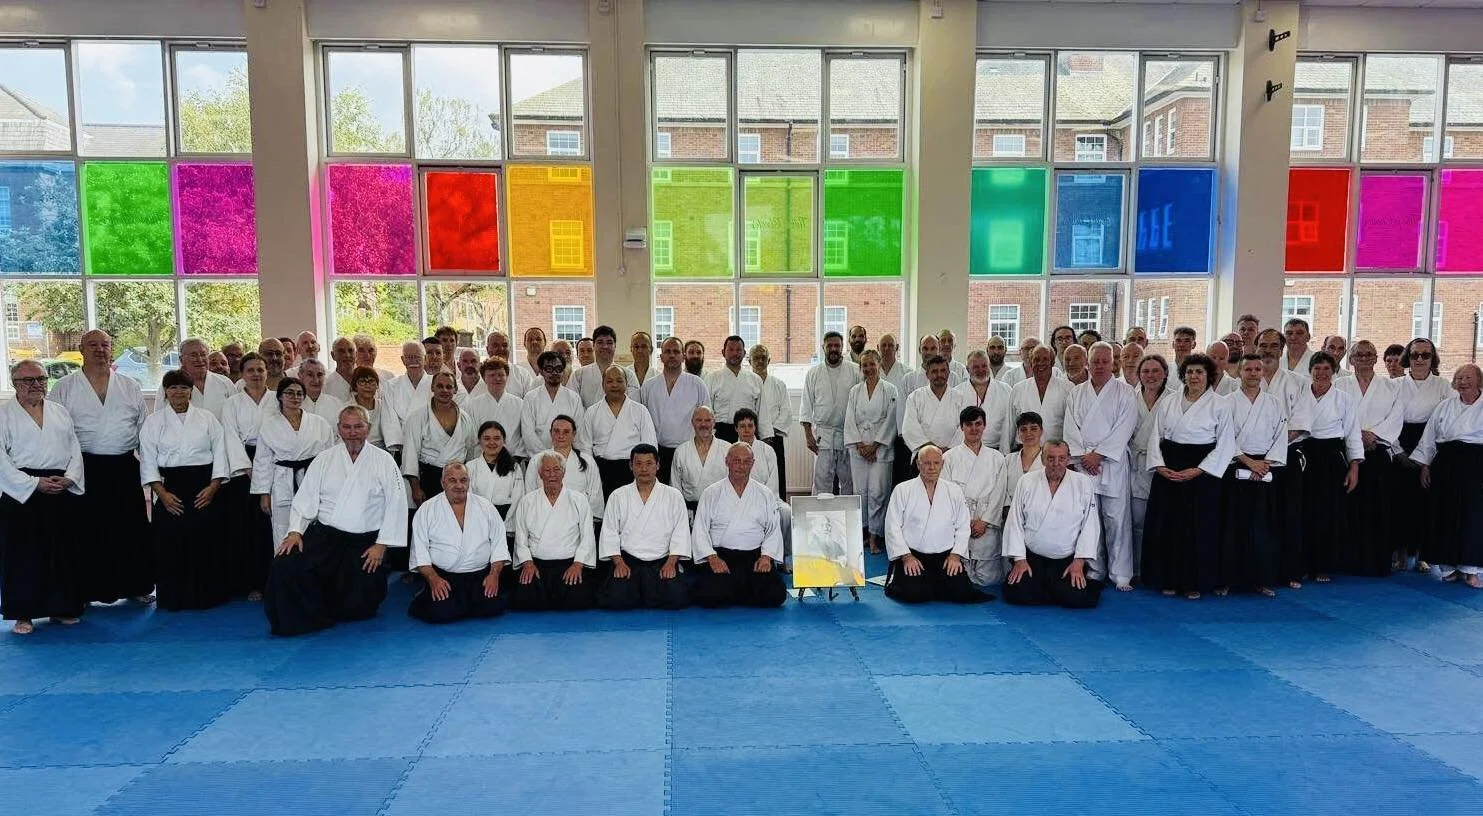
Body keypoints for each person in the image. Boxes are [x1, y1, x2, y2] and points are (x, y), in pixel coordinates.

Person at [263, 406, 406, 635]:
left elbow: (396, 503)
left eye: (358, 426)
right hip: (326, 538)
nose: (352, 432)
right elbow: (305, 497)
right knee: (284, 565)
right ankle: (303, 618)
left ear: (368, 429)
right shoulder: (325, 459)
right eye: (347, 427)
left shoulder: (384, 460)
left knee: (359, 607)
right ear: (338, 429)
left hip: (364, 544)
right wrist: (295, 532)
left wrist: (381, 545)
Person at [47, 329, 153, 606]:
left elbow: (144, 428)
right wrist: (63, 470)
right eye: (92, 345)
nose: (99, 350)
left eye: (104, 344)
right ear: (82, 350)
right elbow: (55, 430)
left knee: (130, 529)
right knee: (86, 531)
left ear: (111, 348)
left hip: (123, 465)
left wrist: (151, 471)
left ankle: (136, 584)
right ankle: (84, 591)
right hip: (83, 466)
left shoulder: (130, 385)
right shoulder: (64, 387)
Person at [0, 360, 86, 634]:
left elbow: (74, 447)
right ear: (15, 384)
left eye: (41, 379)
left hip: (59, 485)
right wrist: (34, 483)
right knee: (23, 554)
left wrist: (70, 477)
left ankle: (62, 607)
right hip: (22, 491)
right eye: (28, 380)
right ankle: (23, 614)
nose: (36, 384)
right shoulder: (4, 415)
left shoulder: (59, 412)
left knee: (62, 550)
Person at [1142, 353, 1234, 599]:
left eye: (1199, 372)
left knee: (1199, 528)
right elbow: (1156, 435)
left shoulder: (1220, 404)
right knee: (1168, 526)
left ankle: (1195, 582)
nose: (1194, 376)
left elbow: (1226, 444)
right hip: (1170, 467)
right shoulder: (1169, 401)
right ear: (1183, 375)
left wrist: (1199, 469)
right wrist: (1159, 465)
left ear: (1208, 376)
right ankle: (1167, 578)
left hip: (1202, 471)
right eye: (1190, 372)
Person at [140, 369, 233, 611]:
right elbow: (148, 460)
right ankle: (174, 597)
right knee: (170, 543)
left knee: (206, 542)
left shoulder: (207, 418)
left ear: (191, 391)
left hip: (204, 486)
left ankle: (208, 595)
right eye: (173, 388)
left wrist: (213, 487)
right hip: (170, 487)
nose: (178, 392)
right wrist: (162, 494)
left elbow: (220, 453)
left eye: (183, 387)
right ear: (165, 392)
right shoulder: (154, 422)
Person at [1064, 342, 1139, 591]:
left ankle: (1121, 574)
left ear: (1113, 363)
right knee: (1089, 519)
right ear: (1088, 363)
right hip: (1084, 464)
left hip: (1111, 463)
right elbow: (1070, 428)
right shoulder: (1076, 393)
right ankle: (1095, 569)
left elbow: (1125, 427)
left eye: (1105, 361)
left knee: (1117, 519)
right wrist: (1083, 457)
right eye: (1095, 361)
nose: (1099, 366)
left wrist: (1099, 455)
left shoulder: (1125, 392)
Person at [882, 445, 991, 604]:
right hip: (914, 556)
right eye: (926, 463)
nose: (931, 467)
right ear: (918, 464)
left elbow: (962, 526)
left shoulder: (954, 490)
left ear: (942, 464)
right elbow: (892, 526)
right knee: (914, 595)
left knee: (962, 593)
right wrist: (906, 557)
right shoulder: (902, 490)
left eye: (936, 463)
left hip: (945, 557)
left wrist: (955, 555)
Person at [1001, 442, 1103, 608]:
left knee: (1077, 598)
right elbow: (1015, 521)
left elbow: (1090, 525)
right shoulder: (1026, 481)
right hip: (1032, 558)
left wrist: (1079, 562)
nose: (1056, 463)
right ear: (1042, 459)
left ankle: (1057, 588)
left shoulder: (1082, 483)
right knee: (1017, 593)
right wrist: (1019, 560)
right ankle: (1053, 589)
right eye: (1051, 458)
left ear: (1068, 459)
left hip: (1066, 560)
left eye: (1061, 458)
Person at [408, 463, 509, 624]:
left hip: (479, 576)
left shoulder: (486, 507)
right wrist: (433, 579)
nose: (459, 486)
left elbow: (499, 545)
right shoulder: (427, 509)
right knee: (439, 613)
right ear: (442, 483)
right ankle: (425, 592)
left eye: (463, 480)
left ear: (469, 482)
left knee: (492, 607)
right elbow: (420, 552)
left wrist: (494, 575)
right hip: (445, 577)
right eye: (452, 480)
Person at [1334, 340, 1403, 577]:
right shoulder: (1339, 384)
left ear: (1375, 359)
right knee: (1346, 507)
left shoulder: (1390, 387)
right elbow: (1333, 414)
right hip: (1346, 452)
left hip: (1377, 451)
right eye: (1358, 355)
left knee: (1378, 508)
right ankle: (1345, 560)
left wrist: (1373, 435)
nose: (1363, 358)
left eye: (1368, 354)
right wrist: (1354, 436)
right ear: (1351, 359)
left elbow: (1397, 417)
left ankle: (1375, 561)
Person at [1221, 353, 1288, 597]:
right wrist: (1249, 462)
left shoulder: (1274, 403)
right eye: (1247, 369)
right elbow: (1223, 436)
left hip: (1265, 468)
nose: (1252, 373)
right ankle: (1227, 579)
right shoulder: (1226, 402)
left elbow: (1281, 435)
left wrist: (1264, 464)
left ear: (1263, 372)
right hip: (1235, 465)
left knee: (1263, 526)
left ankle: (1262, 579)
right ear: (1239, 372)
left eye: (1257, 369)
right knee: (1232, 525)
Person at [689, 443, 787, 608]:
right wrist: (712, 558)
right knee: (709, 596)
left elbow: (773, 530)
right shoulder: (711, 492)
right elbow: (700, 530)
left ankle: (736, 591)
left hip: (754, 557)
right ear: (727, 461)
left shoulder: (765, 493)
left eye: (746, 461)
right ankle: (740, 591)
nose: (741, 466)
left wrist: (766, 557)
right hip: (722, 557)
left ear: (753, 463)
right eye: (736, 461)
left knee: (776, 595)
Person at [1412, 364, 1483, 588]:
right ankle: (1448, 567)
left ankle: (1471, 571)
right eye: (1459, 378)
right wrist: (1425, 465)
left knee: (1473, 516)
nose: (1463, 382)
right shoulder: (1445, 406)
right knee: (1445, 514)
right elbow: (1430, 437)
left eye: (1468, 377)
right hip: (1445, 465)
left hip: (1476, 465)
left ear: (1479, 381)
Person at [1296, 352, 1364, 584]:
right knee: (1303, 510)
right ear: (1310, 371)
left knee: (1328, 512)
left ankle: (1323, 565)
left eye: (1326, 368)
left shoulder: (1343, 399)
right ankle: (1302, 563)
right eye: (1317, 368)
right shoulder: (1299, 394)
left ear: (1334, 372)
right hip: (1305, 454)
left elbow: (1353, 433)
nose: (1322, 373)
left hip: (1332, 457)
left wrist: (1354, 466)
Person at [597, 445, 691, 610]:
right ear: (631, 466)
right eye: (638, 463)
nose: (644, 469)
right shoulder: (618, 495)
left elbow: (681, 532)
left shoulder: (673, 496)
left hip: (662, 561)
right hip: (629, 561)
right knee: (615, 600)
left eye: (649, 463)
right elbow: (609, 533)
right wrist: (619, 563)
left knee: (677, 599)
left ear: (658, 465)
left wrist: (671, 563)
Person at [1256, 328, 1315, 588]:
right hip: (1253, 458)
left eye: (1273, 346)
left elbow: (1301, 421)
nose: (1268, 350)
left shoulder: (1298, 382)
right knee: (1256, 516)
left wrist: (1274, 446)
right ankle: (1256, 571)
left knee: (1288, 514)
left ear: (1282, 350)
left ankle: (1289, 571)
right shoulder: (1244, 379)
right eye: (1263, 345)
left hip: (1287, 456)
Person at [252, 377, 337, 553]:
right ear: (280, 397)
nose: (295, 397)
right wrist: (264, 494)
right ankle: (285, 566)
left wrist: (330, 486)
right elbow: (262, 462)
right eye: (289, 393)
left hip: (312, 478)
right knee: (282, 527)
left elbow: (329, 457)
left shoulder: (319, 423)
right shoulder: (269, 425)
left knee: (314, 523)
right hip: (283, 481)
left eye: (299, 393)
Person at [509, 450, 598, 610]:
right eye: (547, 470)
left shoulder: (579, 500)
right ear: (540, 473)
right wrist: (528, 563)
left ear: (563, 473)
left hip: (569, 564)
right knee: (525, 600)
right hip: (537, 565)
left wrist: (578, 564)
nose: (552, 475)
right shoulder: (527, 501)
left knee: (578, 600)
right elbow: (521, 538)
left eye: (556, 470)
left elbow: (587, 537)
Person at [1392, 338, 1451, 572]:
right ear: (1407, 357)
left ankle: (1421, 555)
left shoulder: (1443, 386)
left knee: (1425, 503)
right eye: (1414, 354)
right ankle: (1399, 552)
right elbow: (1388, 420)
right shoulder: (1395, 385)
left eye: (1425, 355)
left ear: (1432, 359)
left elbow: (1445, 421)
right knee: (1398, 501)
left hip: (1431, 442)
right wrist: (1398, 451)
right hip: (1399, 440)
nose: (1419, 359)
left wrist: (1427, 458)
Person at [220, 353, 276, 599]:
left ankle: (274, 579)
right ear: (242, 374)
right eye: (251, 370)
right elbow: (230, 437)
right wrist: (251, 471)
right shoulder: (232, 403)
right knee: (246, 527)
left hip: (274, 461)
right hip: (244, 467)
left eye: (260, 370)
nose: (256, 374)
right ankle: (251, 582)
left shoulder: (277, 399)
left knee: (271, 525)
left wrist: (266, 471)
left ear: (267, 372)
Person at [943, 407, 1010, 589]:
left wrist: (985, 521)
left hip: (986, 523)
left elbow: (999, 493)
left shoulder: (997, 458)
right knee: (959, 577)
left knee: (988, 579)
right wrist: (965, 522)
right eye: (969, 424)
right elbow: (947, 493)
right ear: (962, 427)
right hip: (960, 521)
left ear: (984, 426)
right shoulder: (949, 457)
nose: (974, 429)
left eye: (978, 424)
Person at [845, 350, 900, 555]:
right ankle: (863, 532)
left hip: (881, 449)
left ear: (879, 364)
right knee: (860, 492)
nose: (868, 368)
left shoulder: (890, 390)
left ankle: (875, 535)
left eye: (872, 364)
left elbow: (891, 419)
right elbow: (850, 418)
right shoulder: (855, 391)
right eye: (864, 365)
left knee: (878, 492)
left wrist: (875, 446)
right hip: (859, 448)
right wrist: (860, 445)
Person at [402, 370, 476, 509]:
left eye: (449, 387)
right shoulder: (418, 417)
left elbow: (472, 451)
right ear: (432, 388)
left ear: (455, 390)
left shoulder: (465, 418)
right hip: (429, 477)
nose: (444, 390)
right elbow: (410, 454)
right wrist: (415, 488)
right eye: (440, 386)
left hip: (458, 478)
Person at [640, 338, 710, 484]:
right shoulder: (648, 386)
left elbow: (707, 421)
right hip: (658, 450)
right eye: (667, 352)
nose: (672, 355)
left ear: (683, 356)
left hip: (689, 449)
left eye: (676, 351)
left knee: (689, 489)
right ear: (661, 357)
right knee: (661, 491)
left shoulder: (697, 384)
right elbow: (643, 422)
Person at [800, 331, 862, 496]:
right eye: (830, 346)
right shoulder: (813, 373)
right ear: (823, 347)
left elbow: (860, 403)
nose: (833, 349)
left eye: (837, 346)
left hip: (847, 433)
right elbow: (806, 405)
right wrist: (808, 435)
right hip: (823, 435)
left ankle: (848, 512)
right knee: (821, 480)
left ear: (842, 347)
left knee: (849, 481)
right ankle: (820, 513)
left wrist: (859, 436)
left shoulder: (855, 370)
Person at [582, 366, 658, 499]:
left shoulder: (640, 411)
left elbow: (649, 445)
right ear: (603, 385)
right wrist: (590, 474)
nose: (614, 385)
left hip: (632, 470)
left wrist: (643, 471)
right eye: (610, 381)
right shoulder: (592, 412)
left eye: (619, 380)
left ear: (626, 384)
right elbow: (585, 447)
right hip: (601, 471)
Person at [523, 416, 603, 532]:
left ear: (574, 434)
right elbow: (530, 493)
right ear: (550, 433)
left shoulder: (587, 461)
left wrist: (587, 522)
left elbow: (595, 495)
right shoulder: (537, 460)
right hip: (544, 520)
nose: (561, 436)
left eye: (566, 432)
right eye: (556, 431)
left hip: (578, 522)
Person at [1128, 355, 1169, 575]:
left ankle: (1159, 569)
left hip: (1164, 466)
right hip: (1135, 465)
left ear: (1165, 373)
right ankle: (1137, 569)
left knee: (1163, 521)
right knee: (1136, 522)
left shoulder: (1174, 399)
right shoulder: (1129, 398)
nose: (1150, 376)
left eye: (1155, 371)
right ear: (1139, 375)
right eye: (1145, 371)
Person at [903, 356, 972, 457]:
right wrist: (931, 449)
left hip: (954, 454)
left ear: (948, 373)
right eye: (934, 371)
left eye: (943, 371)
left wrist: (949, 450)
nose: (939, 375)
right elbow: (909, 428)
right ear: (927, 374)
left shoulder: (960, 398)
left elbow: (965, 427)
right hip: (924, 455)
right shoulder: (915, 397)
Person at [520, 350, 585, 455]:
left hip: (567, 454)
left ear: (563, 371)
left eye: (558, 369)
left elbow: (579, 430)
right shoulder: (530, 398)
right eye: (549, 369)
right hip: (538, 456)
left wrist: (565, 454)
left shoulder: (574, 398)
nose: (554, 373)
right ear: (541, 371)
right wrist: (544, 456)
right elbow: (528, 432)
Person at [751, 343, 793, 499]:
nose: (760, 361)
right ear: (750, 361)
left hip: (774, 437)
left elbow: (786, 412)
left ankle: (778, 503)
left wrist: (769, 432)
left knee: (776, 473)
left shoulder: (778, 384)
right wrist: (757, 432)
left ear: (769, 360)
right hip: (751, 436)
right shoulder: (747, 382)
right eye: (756, 358)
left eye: (763, 358)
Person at [465, 357, 526, 461]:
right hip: (483, 459)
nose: (497, 379)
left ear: (507, 376)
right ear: (484, 378)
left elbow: (525, 434)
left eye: (501, 375)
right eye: (492, 375)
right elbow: (471, 437)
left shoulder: (520, 403)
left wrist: (517, 456)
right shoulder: (473, 404)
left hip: (512, 459)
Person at [1009, 345, 1073, 444]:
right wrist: (1005, 450)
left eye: (1045, 359)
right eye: (1036, 360)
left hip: (1056, 448)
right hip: (1025, 448)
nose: (1040, 363)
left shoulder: (1067, 387)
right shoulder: (1018, 388)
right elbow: (1009, 424)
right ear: (1031, 363)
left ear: (1052, 362)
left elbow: (1072, 425)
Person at [671, 406, 728, 514]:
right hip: (690, 510)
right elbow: (675, 487)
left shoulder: (727, 449)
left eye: (708, 420)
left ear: (714, 422)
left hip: (721, 508)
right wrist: (680, 512)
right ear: (692, 422)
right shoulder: (681, 451)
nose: (703, 424)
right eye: (699, 420)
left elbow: (734, 482)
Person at [161, 337, 237, 417]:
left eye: (203, 355)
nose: (200, 359)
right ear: (181, 359)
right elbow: (160, 418)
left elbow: (238, 412)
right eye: (193, 355)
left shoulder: (225, 382)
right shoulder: (170, 385)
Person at [706, 335, 762, 442]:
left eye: (738, 350)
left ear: (744, 353)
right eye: (731, 350)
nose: (735, 353)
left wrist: (765, 436)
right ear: (723, 352)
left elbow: (762, 411)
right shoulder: (712, 378)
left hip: (747, 431)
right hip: (721, 431)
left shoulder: (755, 379)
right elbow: (707, 410)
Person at [955, 350, 1013, 451]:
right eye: (976, 367)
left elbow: (1010, 424)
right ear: (968, 369)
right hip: (965, 449)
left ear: (989, 366)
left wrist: (1005, 451)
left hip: (997, 449)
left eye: (984, 366)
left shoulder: (1005, 390)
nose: (981, 370)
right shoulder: (957, 392)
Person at [571, 325, 640, 407]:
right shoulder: (579, 375)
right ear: (593, 346)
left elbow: (633, 406)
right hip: (587, 415)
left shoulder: (628, 375)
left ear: (615, 346)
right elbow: (573, 405)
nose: (605, 346)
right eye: (600, 342)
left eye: (609, 343)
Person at [467, 421, 524, 519]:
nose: (492, 442)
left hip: (506, 520)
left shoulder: (514, 467)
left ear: (504, 440)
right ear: (479, 441)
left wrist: (506, 523)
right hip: (477, 518)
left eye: (497, 438)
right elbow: (468, 497)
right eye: (487, 438)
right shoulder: (470, 467)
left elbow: (518, 499)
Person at [382, 341, 432, 444]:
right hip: (404, 442)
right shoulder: (391, 386)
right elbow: (389, 417)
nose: (413, 361)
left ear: (425, 359)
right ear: (403, 360)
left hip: (431, 441)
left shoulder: (436, 383)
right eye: (409, 357)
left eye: (417, 357)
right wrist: (397, 444)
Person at [1006, 412, 1047, 499]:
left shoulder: (1048, 461)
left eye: (1033, 429)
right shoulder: (1008, 460)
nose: (1028, 433)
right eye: (1023, 429)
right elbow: (1002, 489)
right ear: (1018, 433)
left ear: (1041, 431)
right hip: (1010, 506)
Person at [296, 359, 345, 424]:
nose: (316, 380)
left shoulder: (337, 404)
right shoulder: (294, 404)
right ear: (300, 376)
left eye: (319, 375)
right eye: (310, 375)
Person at [486, 331, 535, 396]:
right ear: (487, 349)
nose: (501, 349)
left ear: (510, 348)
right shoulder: (479, 376)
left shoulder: (522, 374)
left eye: (505, 345)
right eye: (496, 345)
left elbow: (532, 399)